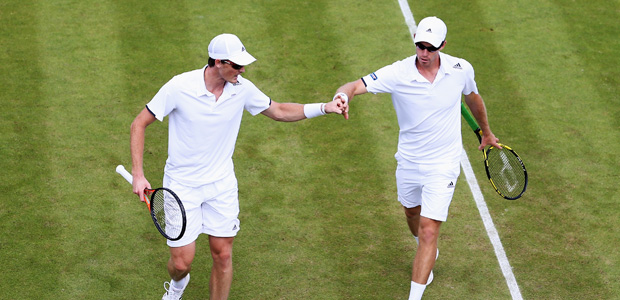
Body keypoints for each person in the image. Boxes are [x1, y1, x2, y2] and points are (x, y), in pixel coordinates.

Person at [129, 33, 347, 300]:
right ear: (218, 62)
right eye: (236, 65)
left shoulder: (241, 88)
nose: (242, 70)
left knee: (223, 255)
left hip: (221, 185)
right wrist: (138, 175)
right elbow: (139, 124)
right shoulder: (179, 87)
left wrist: (324, 107)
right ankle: (176, 286)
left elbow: (278, 110)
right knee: (181, 264)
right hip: (182, 187)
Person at [332, 17, 500, 300]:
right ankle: (424, 248)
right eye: (420, 45)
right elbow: (355, 85)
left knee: (429, 231)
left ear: (443, 46)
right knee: (411, 213)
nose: (424, 53)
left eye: (430, 48)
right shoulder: (397, 73)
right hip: (409, 161)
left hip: (444, 163)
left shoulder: (460, 69)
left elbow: (473, 98)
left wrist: (487, 132)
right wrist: (342, 95)